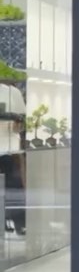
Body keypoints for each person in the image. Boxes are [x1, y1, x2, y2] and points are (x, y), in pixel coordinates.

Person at [0, 80, 26, 236]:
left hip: (9, 149)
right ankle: (3, 222)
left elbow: (20, 124)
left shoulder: (12, 92)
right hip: (8, 148)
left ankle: (19, 223)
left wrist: (17, 123)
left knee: (14, 188)